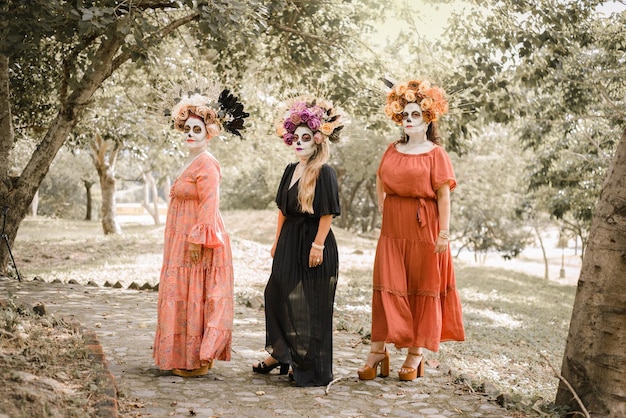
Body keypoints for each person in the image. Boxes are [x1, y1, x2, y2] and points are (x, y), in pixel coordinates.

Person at [357, 79, 465, 381]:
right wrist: (383, 205)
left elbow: (444, 195)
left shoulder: (436, 154)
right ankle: (377, 351)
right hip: (393, 229)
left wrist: (444, 233)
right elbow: (380, 178)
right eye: (405, 115)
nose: (409, 120)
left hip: (425, 229)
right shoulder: (392, 149)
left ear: (428, 118)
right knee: (387, 287)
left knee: (421, 289)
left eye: (416, 114)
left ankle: (415, 353)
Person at [153, 87, 249, 377]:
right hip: (179, 237)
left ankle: (196, 359)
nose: (191, 134)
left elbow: (210, 203)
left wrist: (197, 240)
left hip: (197, 238)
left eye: (197, 129)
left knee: (195, 293)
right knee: (180, 291)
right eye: (188, 129)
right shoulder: (191, 161)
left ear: (208, 133)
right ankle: (182, 356)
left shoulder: (207, 162)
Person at [252, 95, 343, 387]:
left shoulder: (324, 171)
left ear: (317, 140)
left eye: (306, 137)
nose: (299, 142)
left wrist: (318, 245)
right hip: (290, 240)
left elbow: (327, 213)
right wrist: (276, 243)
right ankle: (282, 353)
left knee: (310, 304)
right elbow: (282, 211)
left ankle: (307, 365)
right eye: (296, 138)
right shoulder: (291, 171)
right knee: (275, 293)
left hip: (315, 242)